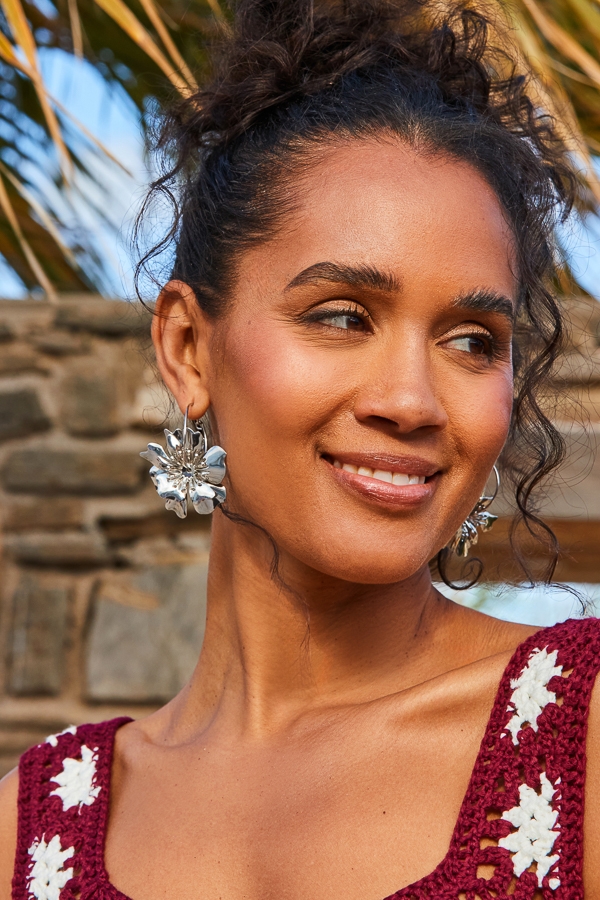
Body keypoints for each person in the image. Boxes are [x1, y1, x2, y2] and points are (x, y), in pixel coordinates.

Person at [1, 0, 600, 896]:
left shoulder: (578, 737)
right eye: (341, 316)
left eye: (472, 339)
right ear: (188, 350)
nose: (411, 401)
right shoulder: (30, 828)